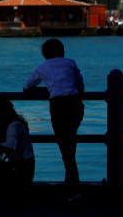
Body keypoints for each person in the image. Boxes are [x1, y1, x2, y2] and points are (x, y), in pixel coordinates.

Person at [23, 38, 84, 201]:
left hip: (59, 106)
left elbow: (27, 86)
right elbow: (81, 85)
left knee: (66, 149)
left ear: (45, 55)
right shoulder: (71, 63)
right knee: (70, 145)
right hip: (76, 105)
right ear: (63, 51)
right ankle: (69, 186)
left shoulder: (43, 67)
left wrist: (48, 86)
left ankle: (74, 190)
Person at [0, 98, 35, 192]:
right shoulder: (8, 126)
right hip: (19, 166)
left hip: (22, 168)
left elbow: (10, 147)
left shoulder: (14, 125)